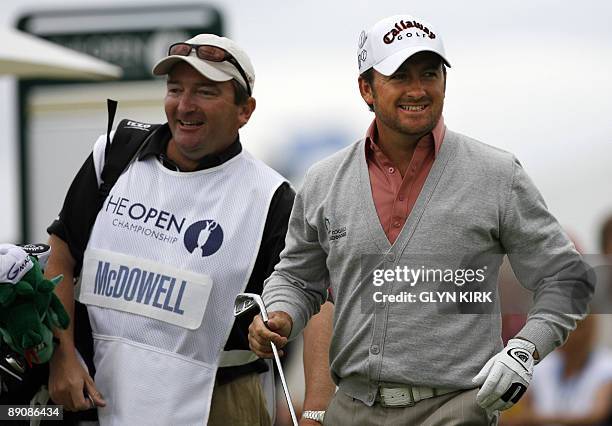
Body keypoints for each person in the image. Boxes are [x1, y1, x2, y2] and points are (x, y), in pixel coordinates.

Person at [248, 14, 594, 425]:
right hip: (352, 409)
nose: (418, 89)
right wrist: (281, 313)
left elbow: (568, 278)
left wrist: (525, 349)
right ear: (366, 89)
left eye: (430, 73)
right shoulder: (324, 181)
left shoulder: (496, 175)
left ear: (444, 82)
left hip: (458, 409)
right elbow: (297, 278)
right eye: (400, 76)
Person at [45, 33, 295, 425]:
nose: (185, 104)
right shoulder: (113, 154)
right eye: (175, 88)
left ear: (245, 110)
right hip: (98, 397)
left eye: (206, 92)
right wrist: (63, 355)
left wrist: (313, 404)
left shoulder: (272, 197)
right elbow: (60, 255)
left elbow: (310, 296)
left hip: (219, 402)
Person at [501, 315, 612, 425]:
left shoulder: (605, 364)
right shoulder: (543, 363)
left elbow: (596, 414)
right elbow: (516, 409)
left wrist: (534, 418)